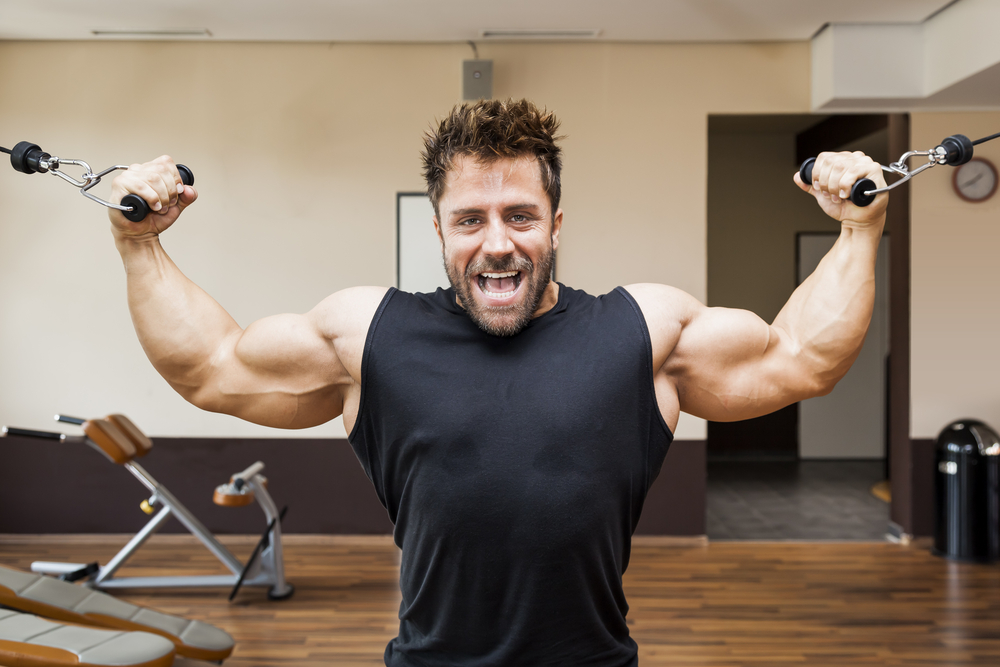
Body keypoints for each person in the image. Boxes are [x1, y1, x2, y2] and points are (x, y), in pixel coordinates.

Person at [108, 98, 888, 666]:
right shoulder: (368, 334)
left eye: (520, 215)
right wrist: (137, 243)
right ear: (439, 230)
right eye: (470, 219)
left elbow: (800, 358)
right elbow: (212, 367)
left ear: (556, 224)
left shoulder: (643, 331)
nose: (497, 243)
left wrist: (859, 227)